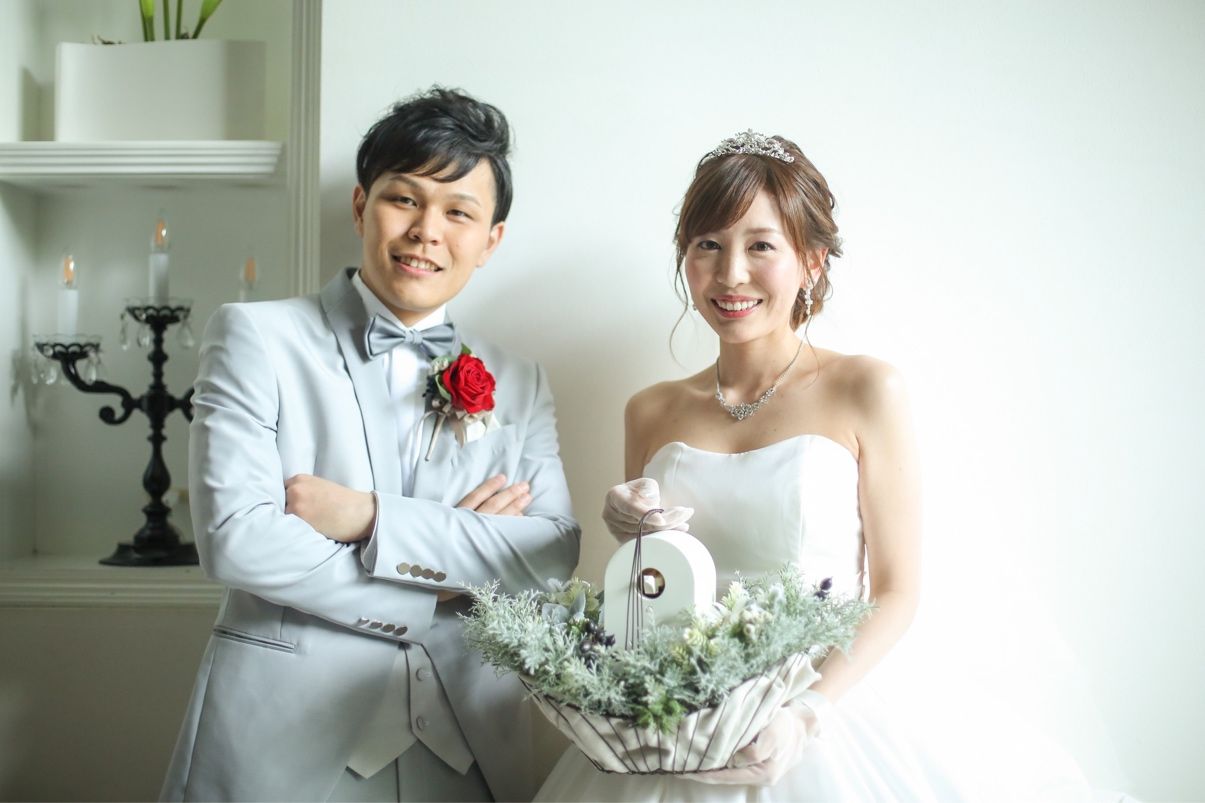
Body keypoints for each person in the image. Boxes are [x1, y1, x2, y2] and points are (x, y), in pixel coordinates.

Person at [535, 131, 1107, 801]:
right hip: (685, 720)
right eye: (708, 245)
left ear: (810, 261)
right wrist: (634, 537)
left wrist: (805, 712)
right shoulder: (650, 409)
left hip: (823, 709)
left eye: (761, 246)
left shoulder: (866, 388)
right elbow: (650, 596)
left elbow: (895, 590)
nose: (731, 274)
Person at [161, 87, 580, 803]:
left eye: (458, 212)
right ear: (361, 206)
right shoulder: (255, 337)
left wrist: (368, 516)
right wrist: (441, 581)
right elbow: (236, 539)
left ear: (490, 240)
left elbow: (549, 553)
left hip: (471, 745)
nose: (426, 231)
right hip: (284, 744)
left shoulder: (520, 380)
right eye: (404, 199)